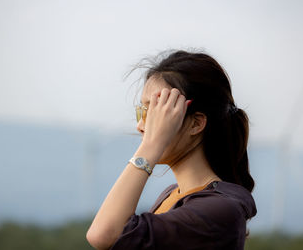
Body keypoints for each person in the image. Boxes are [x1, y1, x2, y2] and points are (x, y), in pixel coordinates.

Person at [86, 50, 257, 250]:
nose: (140, 125)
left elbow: (104, 235)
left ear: (196, 123)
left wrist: (151, 145)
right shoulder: (173, 194)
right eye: (142, 111)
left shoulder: (221, 209)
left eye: (157, 111)